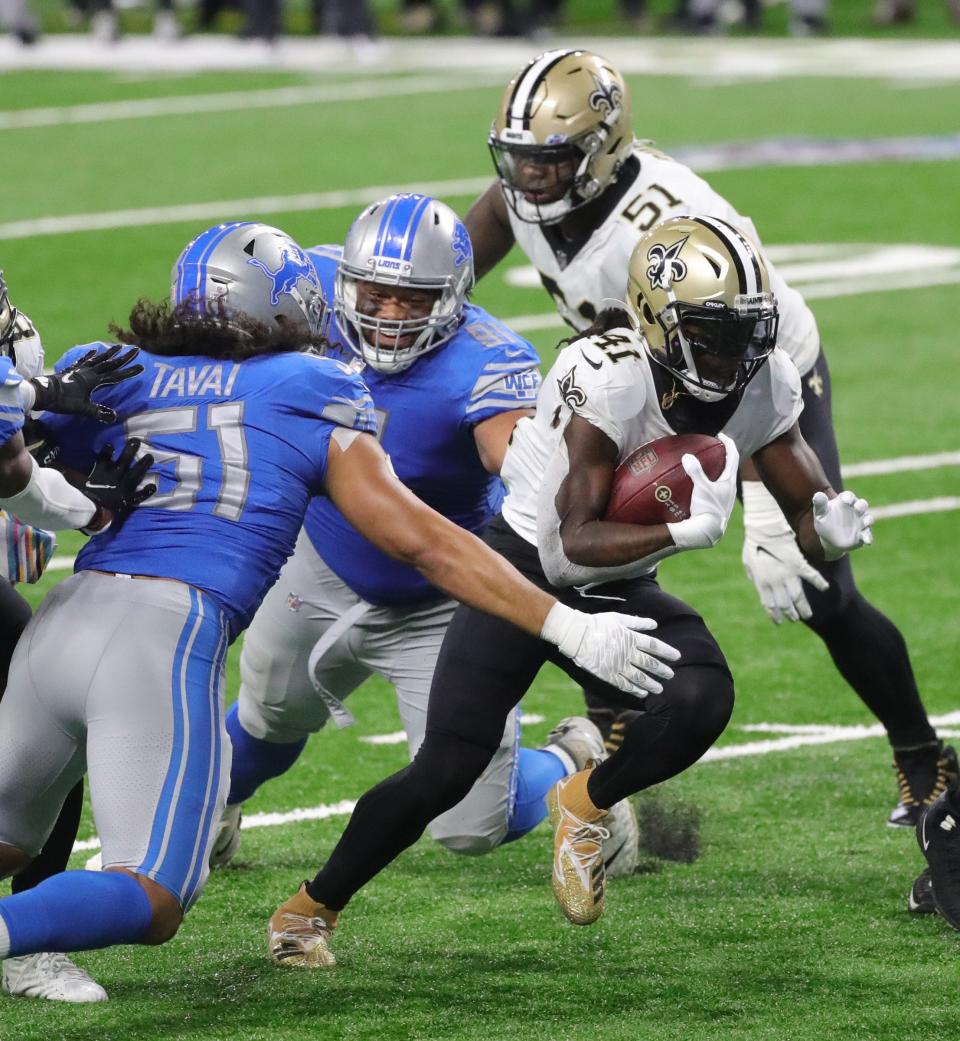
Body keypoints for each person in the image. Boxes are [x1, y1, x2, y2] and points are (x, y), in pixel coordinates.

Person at [0, 220, 677, 972]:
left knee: (7, 840)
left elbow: (17, 449)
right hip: (161, 633)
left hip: (59, 625)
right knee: (154, 893)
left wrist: (37, 493)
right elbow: (421, 538)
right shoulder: (309, 384)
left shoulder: (105, 366)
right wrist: (567, 626)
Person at [265, 216, 875, 965]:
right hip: (523, 570)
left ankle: (585, 803)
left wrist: (827, 529)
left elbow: (804, 505)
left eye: (748, 330)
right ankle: (308, 907)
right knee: (446, 770)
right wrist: (680, 533)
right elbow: (576, 535)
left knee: (703, 695)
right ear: (660, 322)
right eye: (714, 331)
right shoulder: (605, 372)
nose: (735, 352)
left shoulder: (765, 378)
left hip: (617, 583)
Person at [465, 47, 953, 829]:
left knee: (818, 584)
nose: (531, 178)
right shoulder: (529, 195)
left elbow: (753, 357)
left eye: (551, 162)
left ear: (601, 150)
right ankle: (618, 749)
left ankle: (923, 756)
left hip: (759, 372)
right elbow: (486, 222)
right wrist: (436, 299)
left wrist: (765, 509)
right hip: (641, 386)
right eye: (522, 160)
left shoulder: (656, 224)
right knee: (587, 554)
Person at [212, 194, 639, 877]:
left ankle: (574, 758)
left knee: (469, 824)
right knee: (267, 717)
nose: (385, 314)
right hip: (322, 557)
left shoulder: (488, 361)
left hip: (446, 596)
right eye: (373, 294)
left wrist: (546, 466)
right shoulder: (305, 289)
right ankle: (219, 803)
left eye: (410, 300)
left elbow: (511, 451)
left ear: (452, 299)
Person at [0, 272, 149, 1002]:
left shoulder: (13, 336)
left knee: (50, 707)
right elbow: (9, 467)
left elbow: (14, 454)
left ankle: (33, 938)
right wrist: (86, 515)